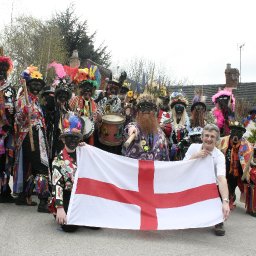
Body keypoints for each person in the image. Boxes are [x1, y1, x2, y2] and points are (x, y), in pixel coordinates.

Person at [49, 113, 100, 232]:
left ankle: (83, 215)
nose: (72, 141)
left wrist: (86, 148)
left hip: (82, 194)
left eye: (76, 138)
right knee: (70, 227)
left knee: (96, 225)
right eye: (69, 137)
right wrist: (60, 207)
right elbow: (57, 185)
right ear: (63, 139)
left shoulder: (84, 152)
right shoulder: (58, 160)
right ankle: (65, 214)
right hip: (67, 194)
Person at [14, 65, 50, 212]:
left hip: (37, 135)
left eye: (39, 85)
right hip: (29, 136)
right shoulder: (23, 99)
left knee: (29, 166)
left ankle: (24, 196)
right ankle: (43, 201)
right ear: (28, 85)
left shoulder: (35, 101)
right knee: (41, 167)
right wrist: (24, 111)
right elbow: (18, 119)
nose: (36, 87)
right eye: (33, 84)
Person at [183, 124, 230, 236]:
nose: (209, 139)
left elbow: (221, 178)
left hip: (210, 188)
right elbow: (182, 166)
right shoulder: (193, 147)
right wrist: (195, 156)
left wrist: (225, 201)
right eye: (206, 135)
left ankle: (218, 220)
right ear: (202, 137)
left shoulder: (219, 156)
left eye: (212, 137)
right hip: (192, 183)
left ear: (217, 140)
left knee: (219, 192)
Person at [122, 94, 169, 161]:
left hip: (155, 170)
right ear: (138, 113)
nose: (146, 111)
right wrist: (131, 130)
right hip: (135, 169)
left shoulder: (161, 134)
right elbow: (129, 129)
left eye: (149, 108)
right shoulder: (134, 127)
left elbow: (166, 158)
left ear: (154, 113)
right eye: (142, 109)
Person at [218, 121, 253, 210]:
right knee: (227, 184)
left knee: (235, 184)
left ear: (242, 134)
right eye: (234, 132)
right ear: (230, 132)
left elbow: (248, 159)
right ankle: (228, 198)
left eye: (239, 132)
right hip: (225, 168)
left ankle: (232, 198)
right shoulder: (223, 141)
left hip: (239, 170)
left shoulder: (246, 145)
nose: (236, 135)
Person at [0, 55, 15, 203]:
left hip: (7, 131)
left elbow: (15, 109)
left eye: (4, 70)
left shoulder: (10, 89)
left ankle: (5, 191)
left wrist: (13, 110)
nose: (2, 72)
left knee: (7, 161)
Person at [169, 91, 190, 160]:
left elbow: (189, 134)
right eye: (177, 106)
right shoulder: (168, 119)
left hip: (184, 150)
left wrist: (182, 142)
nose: (179, 109)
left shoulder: (187, 121)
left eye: (181, 107)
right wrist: (171, 144)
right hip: (171, 150)